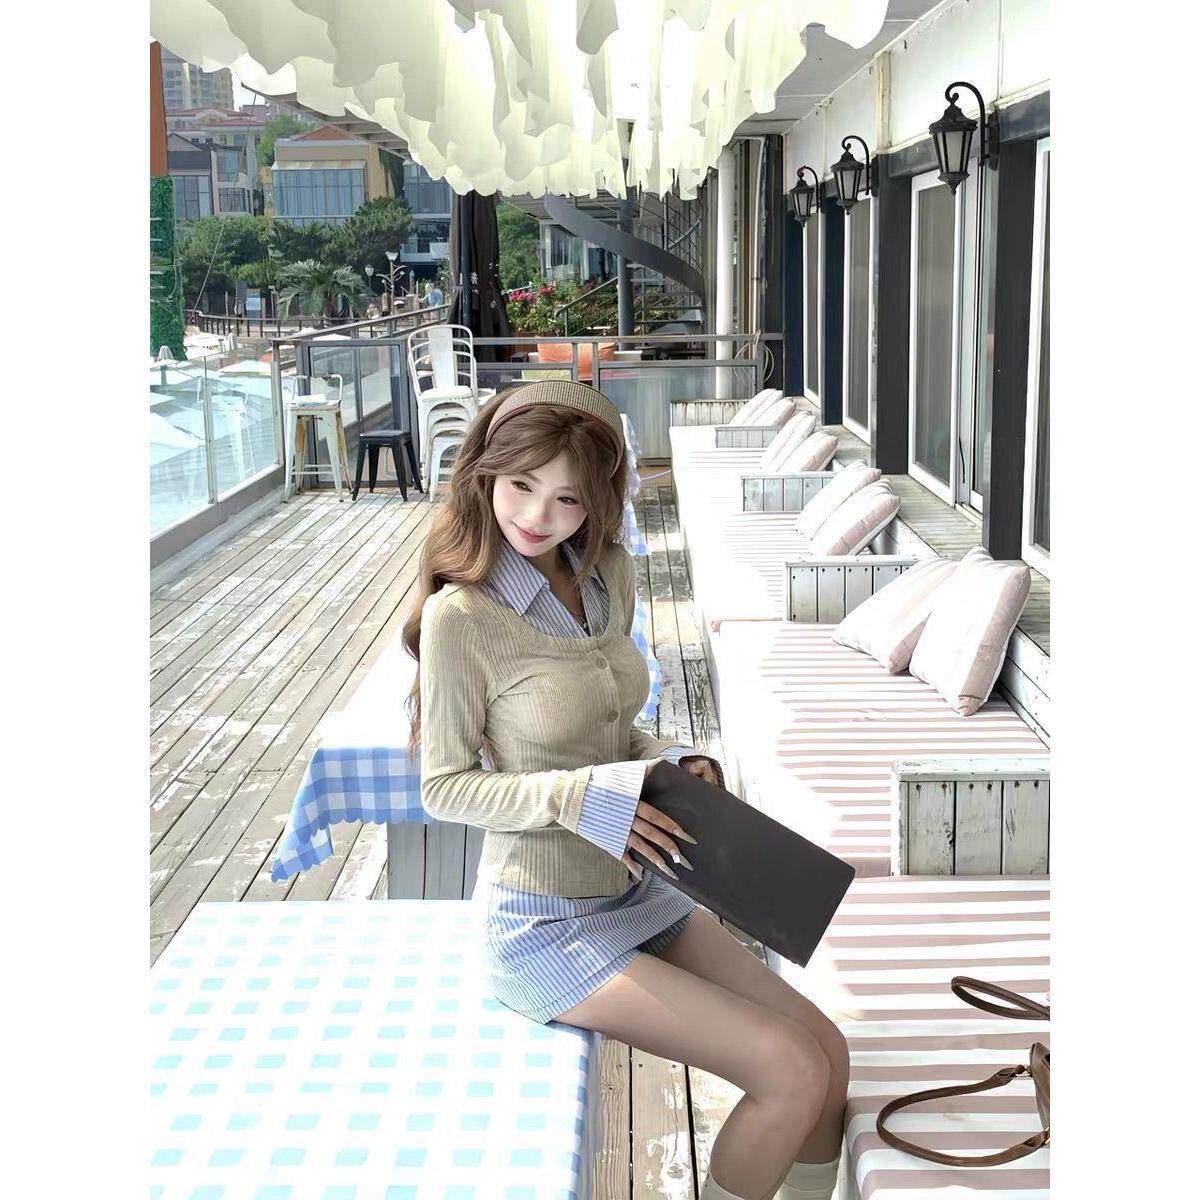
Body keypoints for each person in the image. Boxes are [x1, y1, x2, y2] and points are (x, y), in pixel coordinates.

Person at [402, 381, 848, 1200]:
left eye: (568, 498)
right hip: (544, 922)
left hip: (639, 890)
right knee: (790, 1070)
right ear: (486, 474)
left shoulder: (607, 574)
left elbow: (612, 728)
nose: (537, 516)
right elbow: (445, 789)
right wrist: (581, 799)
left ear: (598, 503)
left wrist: (674, 759)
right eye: (521, 485)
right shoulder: (462, 617)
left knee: (830, 1056)